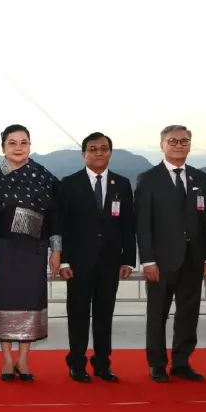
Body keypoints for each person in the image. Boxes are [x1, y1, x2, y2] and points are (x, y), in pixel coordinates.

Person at [0, 124, 62, 381]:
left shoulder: (44, 176)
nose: (18, 147)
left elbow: (55, 216)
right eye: (12, 143)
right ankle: (6, 358)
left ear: (30, 145)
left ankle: (23, 359)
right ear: (3, 147)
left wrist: (56, 251)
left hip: (34, 251)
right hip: (2, 249)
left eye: (23, 142)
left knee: (30, 301)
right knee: (3, 300)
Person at [136, 124, 206, 382]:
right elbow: (143, 224)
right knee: (157, 314)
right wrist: (147, 260)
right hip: (161, 261)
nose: (179, 145)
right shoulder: (148, 178)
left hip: (194, 259)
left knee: (188, 313)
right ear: (162, 145)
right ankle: (157, 364)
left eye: (184, 141)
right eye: (173, 141)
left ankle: (182, 362)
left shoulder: (199, 178)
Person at [57, 132, 137, 382]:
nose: (99, 153)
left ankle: (102, 363)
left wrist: (128, 259)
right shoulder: (69, 184)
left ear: (110, 153)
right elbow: (62, 225)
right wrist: (63, 260)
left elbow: (128, 224)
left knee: (104, 314)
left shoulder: (122, 184)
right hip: (78, 263)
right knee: (78, 314)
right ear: (84, 154)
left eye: (103, 148)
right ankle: (76, 362)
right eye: (93, 149)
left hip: (110, 262)